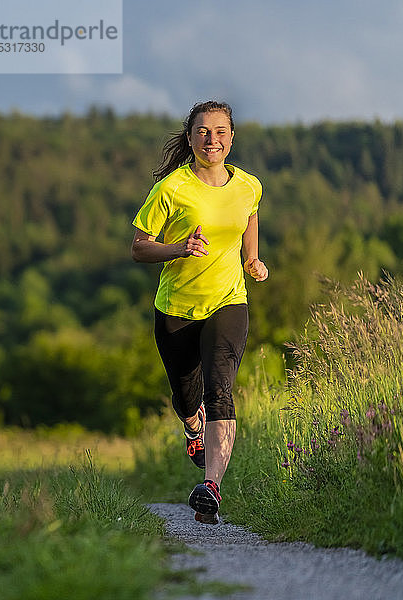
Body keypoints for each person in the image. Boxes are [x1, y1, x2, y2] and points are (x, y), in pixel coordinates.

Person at [131, 100, 268, 524]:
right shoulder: (171, 188)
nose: (213, 139)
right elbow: (139, 246)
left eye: (221, 131)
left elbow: (249, 217)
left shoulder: (248, 185)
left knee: (220, 388)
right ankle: (193, 426)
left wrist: (252, 259)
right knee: (187, 396)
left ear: (231, 137)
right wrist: (179, 248)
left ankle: (211, 487)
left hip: (228, 301)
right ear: (190, 138)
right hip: (176, 309)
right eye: (203, 132)